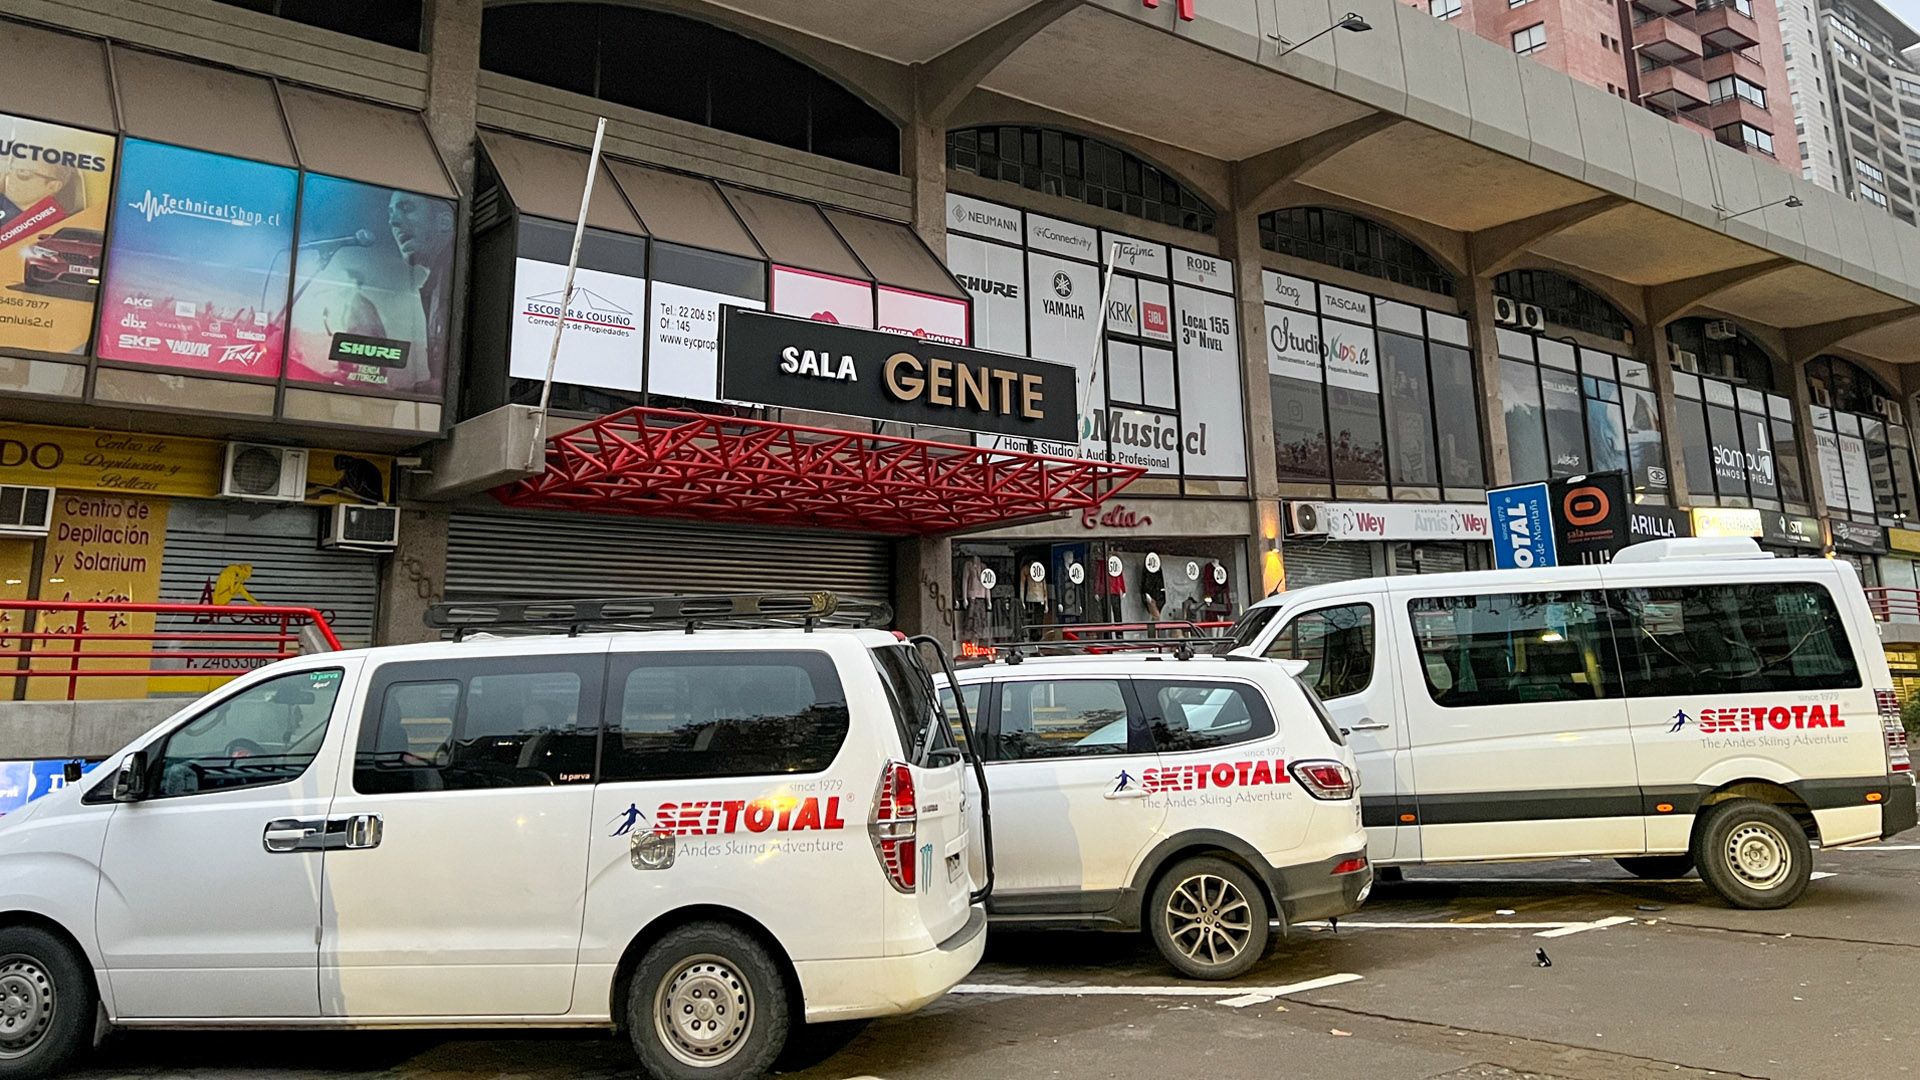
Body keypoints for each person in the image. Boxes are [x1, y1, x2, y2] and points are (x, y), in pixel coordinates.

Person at [387, 190, 455, 387]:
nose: (394, 222)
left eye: (406, 208)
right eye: (390, 214)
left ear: (444, 222)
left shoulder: (459, 274)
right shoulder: (437, 281)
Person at [0, 158, 82, 233]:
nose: (9, 178)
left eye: (23, 172)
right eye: (10, 170)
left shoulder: (54, 229)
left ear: (53, 186)